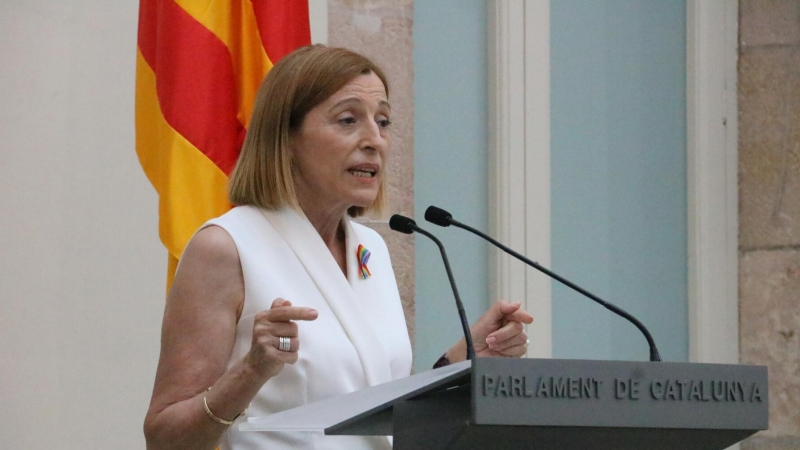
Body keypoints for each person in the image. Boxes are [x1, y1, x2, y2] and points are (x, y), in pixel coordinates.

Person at [143, 45, 533, 450]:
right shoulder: (226, 247)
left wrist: (466, 360)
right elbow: (165, 438)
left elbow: (371, 405)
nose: (374, 141)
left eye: (383, 122)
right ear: (286, 137)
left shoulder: (372, 249)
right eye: (348, 120)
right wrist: (252, 371)